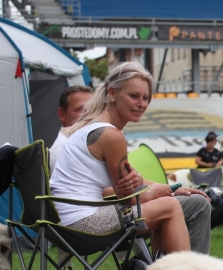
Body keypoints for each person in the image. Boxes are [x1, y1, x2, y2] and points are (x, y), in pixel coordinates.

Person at [49, 62, 191, 255]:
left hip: (63, 223)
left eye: (146, 98)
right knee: (170, 206)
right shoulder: (111, 135)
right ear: (113, 93)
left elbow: (126, 189)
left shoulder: (91, 125)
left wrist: (146, 187)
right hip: (82, 224)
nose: (141, 104)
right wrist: (155, 191)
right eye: (134, 96)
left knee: (161, 209)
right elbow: (129, 196)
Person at [49, 85, 94, 170]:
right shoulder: (65, 150)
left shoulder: (79, 145)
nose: (88, 115)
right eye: (80, 109)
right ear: (62, 114)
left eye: (91, 109)